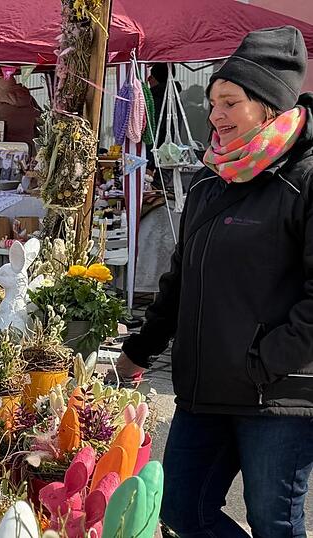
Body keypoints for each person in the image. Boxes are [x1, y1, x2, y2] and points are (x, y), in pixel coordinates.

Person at [116, 26, 313, 537]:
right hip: (205, 388)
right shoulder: (212, 178)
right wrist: (139, 350)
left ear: (269, 106)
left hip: (278, 395)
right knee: (180, 510)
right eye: (212, 103)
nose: (215, 116)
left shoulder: (305, 178)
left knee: (274, 524)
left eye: (230, 103)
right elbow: (179, 278)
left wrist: (263, 361)